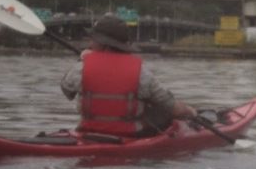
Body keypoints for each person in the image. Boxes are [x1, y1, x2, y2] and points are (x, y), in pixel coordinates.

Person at [61, 14, 197, 136]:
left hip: (88, 133)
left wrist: (82, 60)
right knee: (160, 111)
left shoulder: (81, 67)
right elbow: (173, 108)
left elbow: (66, 90)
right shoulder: (142, 73)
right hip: (129, 136)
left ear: (103, 44)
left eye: (93, 40)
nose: (90, 44)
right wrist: (190, 111)